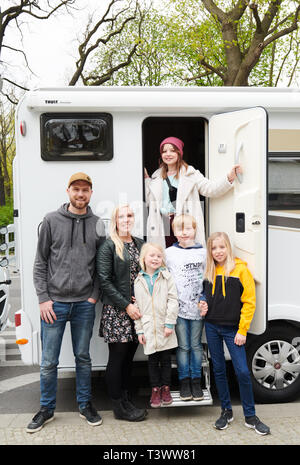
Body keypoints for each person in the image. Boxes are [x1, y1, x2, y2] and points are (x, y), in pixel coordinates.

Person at [27, 172, 105, 433]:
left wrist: (94, 295)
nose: (80, 194)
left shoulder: (97, 223)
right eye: (76, 189)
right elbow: (40, 263)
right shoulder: (51, 220)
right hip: (54, 305)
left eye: (85, 190)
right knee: (49, 361)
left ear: (91, 193)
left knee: (83, 357)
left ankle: (85, 405)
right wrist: (43, 299)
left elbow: (101, 266)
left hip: (84, 303)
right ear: (68, 191)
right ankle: (46, 409)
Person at [199, 232, 270, 435]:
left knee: (242, 372)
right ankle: (226, 411)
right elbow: (204, 294)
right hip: (212, 326)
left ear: (228, 248)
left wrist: (242, 330)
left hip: (233, 330)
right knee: (219, 370)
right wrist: (201, 303)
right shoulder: (210, 270)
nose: (218, 252)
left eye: (222, 247)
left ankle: (250, 416)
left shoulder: (240, 270)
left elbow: (249, 302)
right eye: (214, 248)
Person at [96, 204, 147, 422]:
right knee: (117, 359)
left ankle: (127, 400)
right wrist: (127, 305)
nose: (126, 219)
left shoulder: (139, 243)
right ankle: (118, 406)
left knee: (128, 359)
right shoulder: (109, 246)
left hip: (137, 311)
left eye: (130, 215)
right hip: (118, 311)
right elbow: (105, 282)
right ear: (115, 220)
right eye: (122, 216)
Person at [145, 136, 241, 248]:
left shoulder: (191, 174)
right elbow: (149, 202)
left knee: (185, 257)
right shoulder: (156, 177)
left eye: (172, 150)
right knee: (163, 256)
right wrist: (147, 181)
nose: (168, 154)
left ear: (179, 153)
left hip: (183, 223)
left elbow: (210, 189)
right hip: (162, 223)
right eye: (164, 151)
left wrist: (229, 177)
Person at [165, 214, 206, 402]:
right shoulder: (169, 253)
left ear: (195, 229)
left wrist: (205, 300)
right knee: (183, 346)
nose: (184, 232)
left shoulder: (203, 253)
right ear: (174, 232)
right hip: (178, 309)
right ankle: (184, 381)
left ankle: (196, 381)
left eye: (188, 228)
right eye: (180, 229)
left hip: (197, 308)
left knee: (196, 346)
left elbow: (208, 280)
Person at [134, 243, 178, 408]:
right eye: (151, 256)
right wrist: (139, 330)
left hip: (164, 326)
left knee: (166, 360)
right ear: (143, 258)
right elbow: (137, 308)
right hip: (148, 328)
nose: (155, 259)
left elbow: (173, 301)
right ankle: (155, 389)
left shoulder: (167, 277)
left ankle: (165, 388)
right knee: (152, 361)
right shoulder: (139, 281)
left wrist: (169, 323)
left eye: (159, 256)